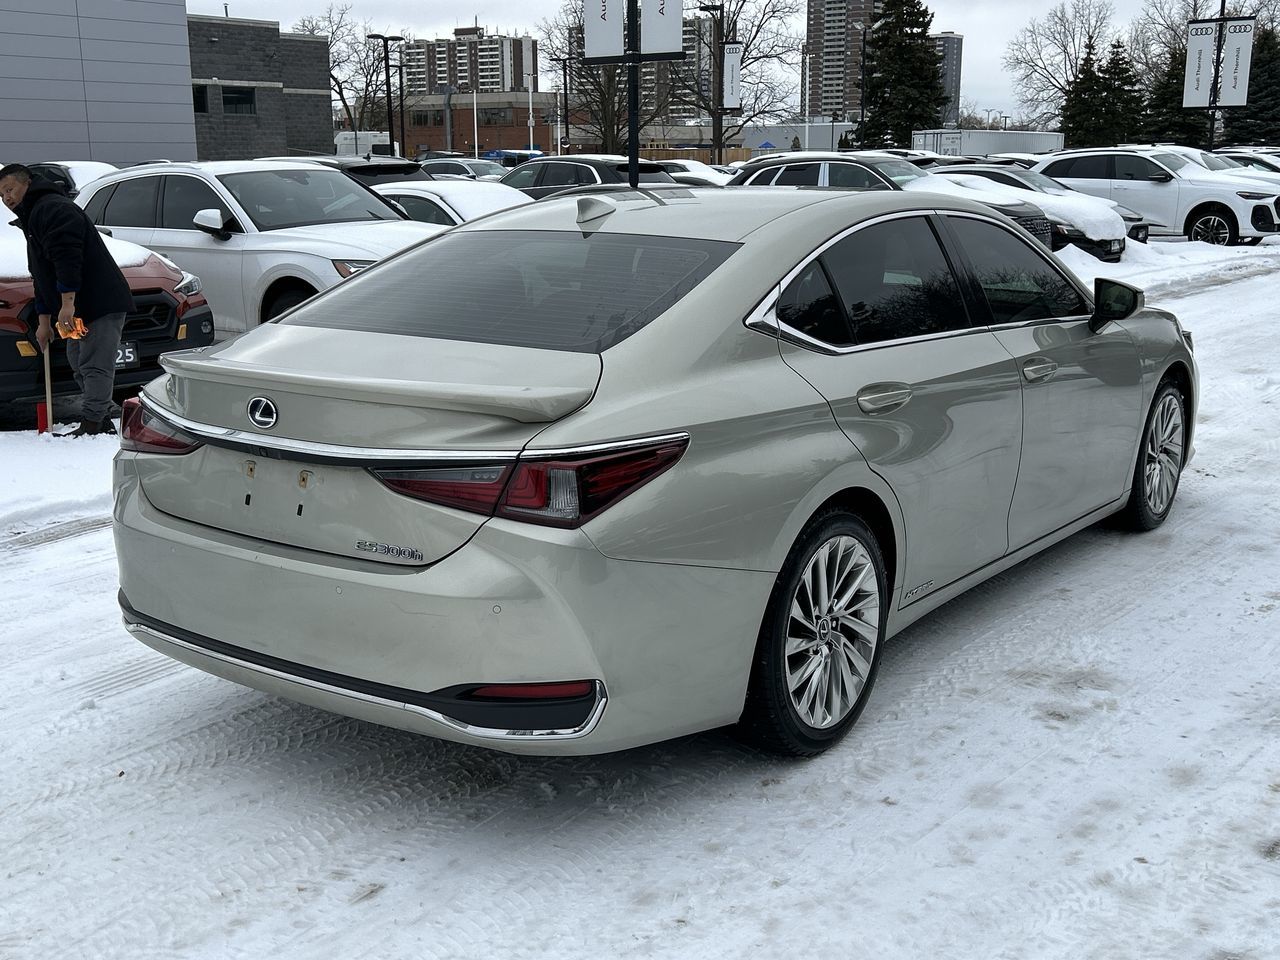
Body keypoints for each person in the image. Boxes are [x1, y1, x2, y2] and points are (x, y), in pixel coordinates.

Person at [0, 163, 134, 436]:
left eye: (9, 189)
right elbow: (41, 275)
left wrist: (68, 304)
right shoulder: (32, 216)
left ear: (27, 183)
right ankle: (100, 414)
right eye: (1, 196)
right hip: (74, 308)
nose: (7, 199)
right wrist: (44, 322)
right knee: (77, 361)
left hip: (98, 302)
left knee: (94, 364)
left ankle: (93, 423)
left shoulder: (53, 209)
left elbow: (67, 259)